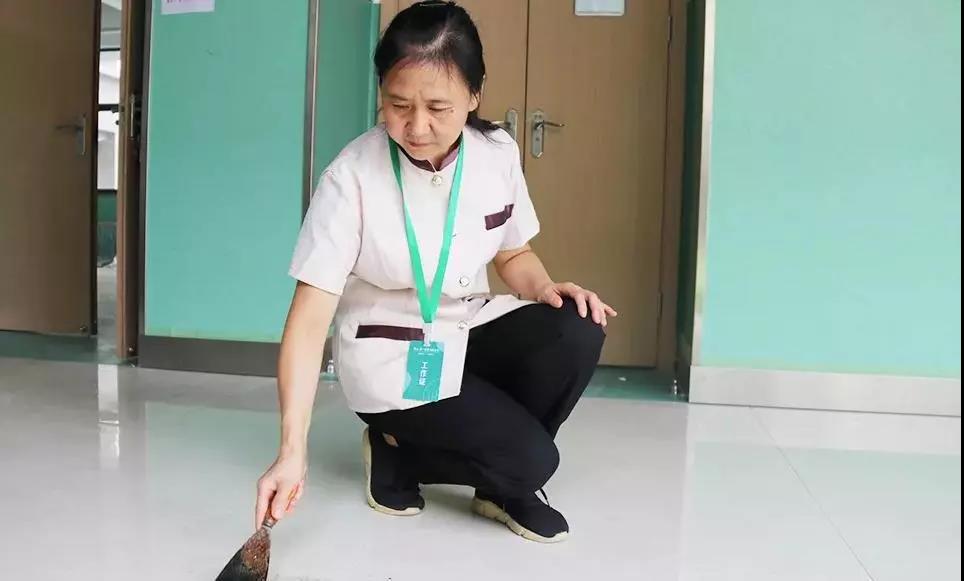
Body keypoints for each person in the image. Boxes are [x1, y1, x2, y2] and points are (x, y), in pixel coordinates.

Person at [255, 0, 615, 543]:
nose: (417, 127)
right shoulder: (350, 178)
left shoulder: (496, 152)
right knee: (537, 461)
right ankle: (409, 450)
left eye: (438, 108)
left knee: (577, 326)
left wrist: (545, 288)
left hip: (465, 328)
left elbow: (514, 253)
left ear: (475, 94)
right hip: (392, 356)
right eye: (398, 105)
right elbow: (307, 324)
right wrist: (291, 451)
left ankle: (498, 476)